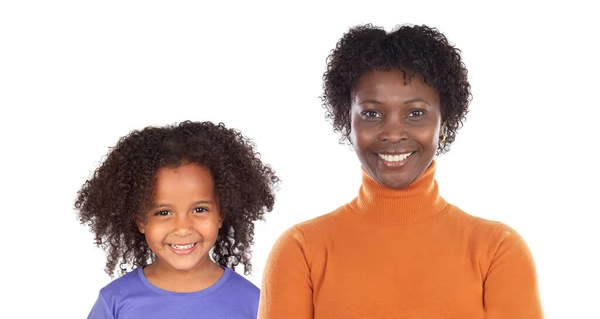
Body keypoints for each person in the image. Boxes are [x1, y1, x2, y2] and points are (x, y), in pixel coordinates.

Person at [258, 24, 543, 318]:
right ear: (348, 123)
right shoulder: (301, 251)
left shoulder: (497, 251)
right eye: (372, 114)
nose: (393, 133)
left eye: (415, 113)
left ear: (443, 124)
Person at [75, 120, 280, 319]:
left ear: (221, 215)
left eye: (199, 209)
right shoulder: (115, 301)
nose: (183, 228)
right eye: (163, 212)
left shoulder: (253, 303)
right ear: (140, 222)